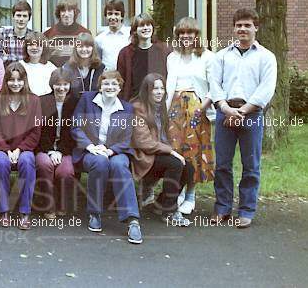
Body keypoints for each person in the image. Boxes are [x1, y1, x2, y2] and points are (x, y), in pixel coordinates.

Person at [209, 8, 277, 229]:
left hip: (252, 114)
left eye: (247, 25)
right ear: (234, 28)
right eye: (239, 25)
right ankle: (222, 208)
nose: (243, 29)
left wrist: (243, 111)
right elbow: (214, 85)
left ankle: (246, 210)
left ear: (256, 27)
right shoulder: (222, 56)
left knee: (251, 165)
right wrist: (226, 109)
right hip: (224, 113)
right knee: (222, 165)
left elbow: (266, 89)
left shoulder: (266, 57)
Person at [71, 70, 143, 244]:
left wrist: (110, 151)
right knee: (100, 163)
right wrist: (90, 146)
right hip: (90, 151)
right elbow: (76, 126)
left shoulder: (127, 108)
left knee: (119, 166)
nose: (109, 87)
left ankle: (132, 219)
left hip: (116, 151)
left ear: (119, 87)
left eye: (114, 84)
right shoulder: (88, 100)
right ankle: (94, 213)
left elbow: (126, 138)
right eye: (106, 83)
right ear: (100, 86)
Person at [165, 17, 216, 215]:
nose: (186, 36)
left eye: (190, 33)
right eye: (182, 33)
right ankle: (177, 191)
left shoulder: (208, 57)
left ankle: (191, 195)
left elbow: (214, 89)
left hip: (198, 108)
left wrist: (200, 109)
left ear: (196, 35)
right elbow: (169, 87)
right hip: (175, 108)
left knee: (193, 151)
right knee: (176, 150)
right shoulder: (172, 57)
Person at [131, 73, 190, 226]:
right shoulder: (138, 108)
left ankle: (160, 204)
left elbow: (165, 136)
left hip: (157, 154)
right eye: (154, 88)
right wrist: (171, 151)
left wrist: (174, 150)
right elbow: (143, 141)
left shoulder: (161, 107)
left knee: (188, 167)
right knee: (175, 163)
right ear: (147, 90)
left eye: (161, 88)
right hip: (143, 157)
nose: (159, 92)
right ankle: (169, 212)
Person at [0, 62, 42, 230]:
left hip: (24, 148)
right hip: (1, 148)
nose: (15, 83)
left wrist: (19, 149)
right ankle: (3, 210)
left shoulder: (33, 100)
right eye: (11, 80)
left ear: (24, 80)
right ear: (6, 81)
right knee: (0, 162)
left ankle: (25, 211)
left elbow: (35, 131)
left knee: (27, 162)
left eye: (19, 80)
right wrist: (6, 150)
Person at [34, 69, 79, 219]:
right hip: (44, 148)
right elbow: (38, 130)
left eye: (65, 84)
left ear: (70, 85)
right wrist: (49, 151)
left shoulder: (74, 103)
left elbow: (74, 132)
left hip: (65, 149)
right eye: (58, 84)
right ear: (52, 85)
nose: (61, 88)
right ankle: (49, 204)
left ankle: (62, 203)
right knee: (44, 165)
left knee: (65, 171)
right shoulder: (42, 102)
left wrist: (60, 151)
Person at [116, 13, 171, 100]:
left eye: (148, 25)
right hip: (135, 103)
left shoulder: (164, 51)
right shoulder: (125, 54)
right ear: (135, 30)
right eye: (141, 25)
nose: (145, 28)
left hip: (159, 102)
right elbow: (121, 82)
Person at [43, 0, 91, 67]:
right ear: (58, 13)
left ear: (75, 12)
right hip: (56, 75)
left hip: (78, 75)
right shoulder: (48, 34)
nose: (66, 14)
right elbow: (43, 59)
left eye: (69, 10)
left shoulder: (85, 33)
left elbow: (90, 58)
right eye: (63, 11)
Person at [60, 32, 105, 100]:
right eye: (80, 46)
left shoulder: (101, 68)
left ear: (93, 48)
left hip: (94, 108)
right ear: (75, 49)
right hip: (72, 107)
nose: (84, 49)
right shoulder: (67, 68)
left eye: (87, 46)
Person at [94, 0, 131, 71]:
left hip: (126, 76)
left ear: (122, 16)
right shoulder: (99, 39)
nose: (113, 17)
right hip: (107, 78)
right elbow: (98, 61)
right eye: (110, 14)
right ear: (106, 16)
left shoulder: (130, 35)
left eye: (116, 14)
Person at [19, 31, 57, 96]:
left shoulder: (51, 67)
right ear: (26, 47)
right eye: (31, 45)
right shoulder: (20, 66)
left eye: (38, 45)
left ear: (44, 48)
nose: (34, 48)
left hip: (46, 101)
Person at [0, 0, 34, 66]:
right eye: (18, 15)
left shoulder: (33, 36)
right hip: (7, 73)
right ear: (13, 17)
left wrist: (8, 57)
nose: (21, 19)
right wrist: (24, 60)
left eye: (24, 16)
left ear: (29, 18)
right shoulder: (3, 33)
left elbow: (34, 60)